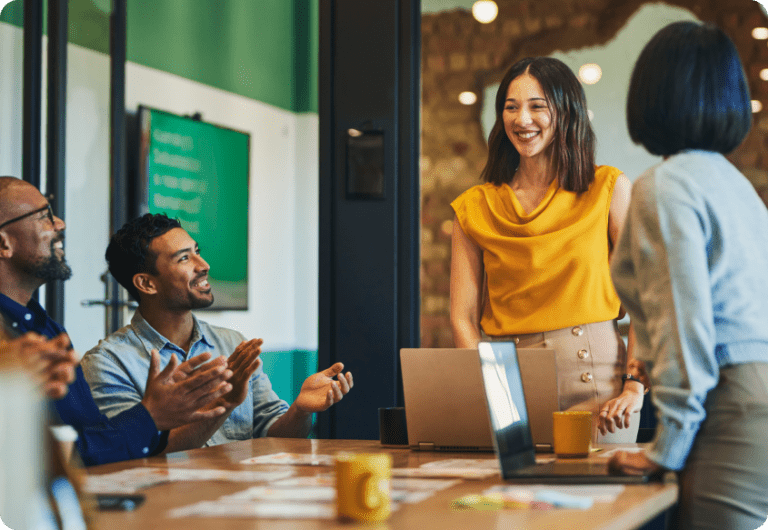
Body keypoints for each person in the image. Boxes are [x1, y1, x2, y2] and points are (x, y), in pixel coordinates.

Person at [607, 22, 768, 529]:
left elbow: (683, 323)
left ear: (651, 94)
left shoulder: (666, 186)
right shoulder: (735, 184)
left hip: (732, 404)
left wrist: (665, 447)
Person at [450, 56, 646, 443]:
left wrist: (634, 386)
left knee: (593, 503)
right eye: (511, 107)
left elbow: (644, 301)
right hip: (507, 379)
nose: (522, 119)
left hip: (598, 383)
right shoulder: (474, 206)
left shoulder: (607, 188)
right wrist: (494, 389)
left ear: (566, 111)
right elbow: (462, 318)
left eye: (537, 106)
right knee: (510, 501)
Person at [0, 176, 235, 465]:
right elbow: (42, 460)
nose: (59, 223)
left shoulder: (45, 327)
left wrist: (154, 416)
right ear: (4, 244)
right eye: (44, 216)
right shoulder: (99, 358)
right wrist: (150, 416)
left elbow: (87, 442)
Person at [81, 213, 353, 451]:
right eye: (184, 258)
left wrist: (300, 410)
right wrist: (224, 403)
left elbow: (275, 436)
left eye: (197, 251)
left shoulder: (232, 343)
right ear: (147, 283)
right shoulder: (107, 364)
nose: (204, 265)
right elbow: (136, 453)